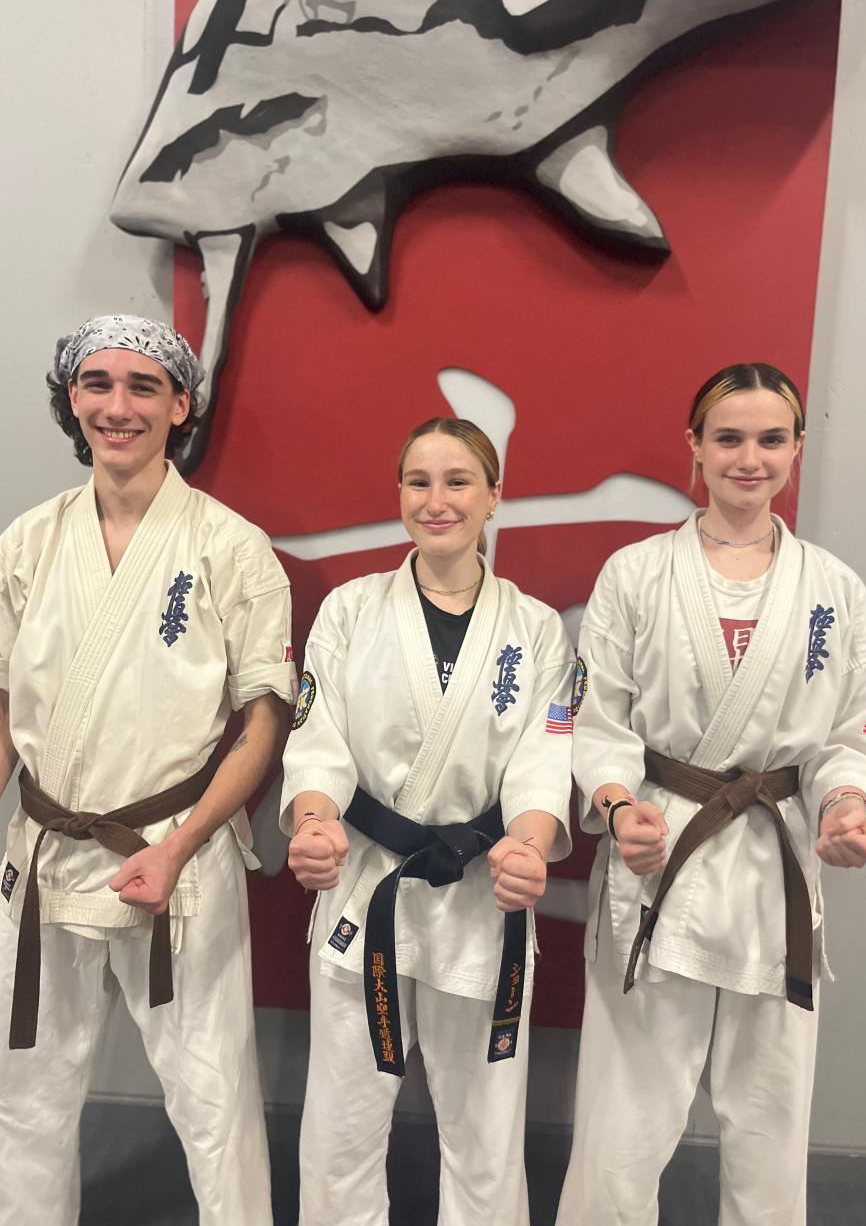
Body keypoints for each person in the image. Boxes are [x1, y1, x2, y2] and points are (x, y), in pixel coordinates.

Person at [556, 363, 866, 1226]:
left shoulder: (834, 589)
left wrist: (847, 806)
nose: (751, 459)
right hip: (659, 858)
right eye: (729, 439)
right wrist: (614, 807)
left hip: (776, 871)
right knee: (624, 1121)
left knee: (771, 1125)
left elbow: (855, 734)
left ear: (797, 449)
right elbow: (595, 722)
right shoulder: (635, 574)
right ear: (696, 449)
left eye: (771, 439)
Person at [0, 315, 297, 1226]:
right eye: (98, 385)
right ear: (72, 400)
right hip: (45, 853)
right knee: (14, 1088)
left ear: (181, 404)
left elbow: (263, 725)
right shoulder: (26, 544)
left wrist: (184, 845)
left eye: (143, 386)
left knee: (212, 1098)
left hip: (174, 856)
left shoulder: (232, 547)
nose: (118, 407)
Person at [282, 417, 575, 1226]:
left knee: (486, 1133)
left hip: (485, 895)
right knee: (342, 1128)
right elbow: (319, 742)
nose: (436, 500)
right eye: (419, 482)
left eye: (457, 482)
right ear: (399, 494)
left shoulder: (536, 628)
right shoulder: (350, 611)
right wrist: (313, 822)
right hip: (367, 885)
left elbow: (543, 761)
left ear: (493, 498)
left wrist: (531, 843)